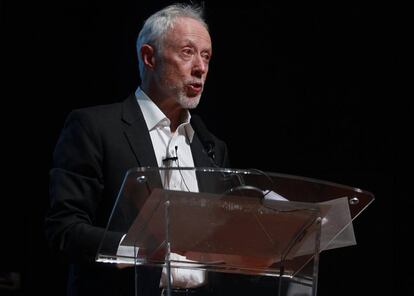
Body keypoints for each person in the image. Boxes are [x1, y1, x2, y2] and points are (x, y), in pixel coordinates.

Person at [46, 3, 230, 296]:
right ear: (149, 57)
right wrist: (138, 251)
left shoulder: (209, 147)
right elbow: (64, 229)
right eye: (187, 52)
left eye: (206, 56)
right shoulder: (95, 128)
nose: (201, 67)